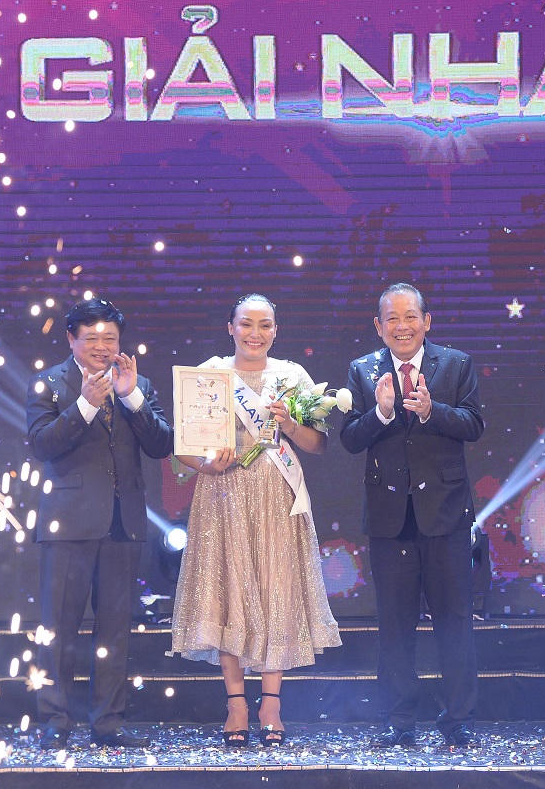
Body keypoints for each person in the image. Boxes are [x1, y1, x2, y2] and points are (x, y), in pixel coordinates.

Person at [170, 294, 341, 747]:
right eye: (246, 324)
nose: (255, 333)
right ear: (230, 328)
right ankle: (235, 704)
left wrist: (290, 425)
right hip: (222, 494)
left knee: (274, 591)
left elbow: (318, 445)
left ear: (276, 330)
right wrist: (207, 465)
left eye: (265, 325)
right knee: (228, 593)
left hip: (276, 496)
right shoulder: (210, 374)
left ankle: (271, 703)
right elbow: (183, 447)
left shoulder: (291, 377)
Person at [340, 283, 484, 748]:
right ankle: (399, 721)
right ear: (378, 326)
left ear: (427, 321)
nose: (401, 326)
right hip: (390, 518)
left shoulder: (455, 364)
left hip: (445, 514)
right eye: (392, 319)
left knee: (454, 622)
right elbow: (350, 438)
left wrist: (431, 411)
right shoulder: (362, 370)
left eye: (410, 317)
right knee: (395, 626)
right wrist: (381, 413)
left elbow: (474, 424)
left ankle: (457, 720)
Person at [26, 299, 172, 749]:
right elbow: (41, 444)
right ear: (71, 339)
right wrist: (85, 406)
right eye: (92, 338)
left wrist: (131, 398)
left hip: (123, 524)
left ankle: (108, 722)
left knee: (115, 630)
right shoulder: (50, 383)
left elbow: (162, 445)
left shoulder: (137, 384)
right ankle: (55, 719)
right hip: (68, 524)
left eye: (110, 338)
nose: (102, 346)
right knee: (59, 628)